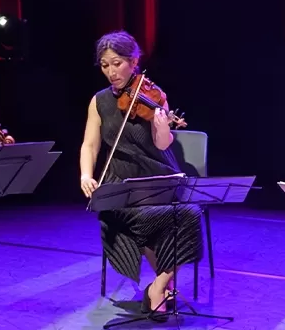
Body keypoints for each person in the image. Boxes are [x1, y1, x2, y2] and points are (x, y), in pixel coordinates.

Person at [79, 31, 203, 315]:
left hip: (157, 176)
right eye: (105, 65)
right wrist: (86, 175)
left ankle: (157, 286)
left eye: (117, 63)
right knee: (145, 219)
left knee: (190, 214)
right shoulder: (98, 101)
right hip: (119, 182)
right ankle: (163, 285)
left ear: (134, 61)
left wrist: (162, 126)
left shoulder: (155, 96)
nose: (111, 72)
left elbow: (162, 144)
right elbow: (89, 144)